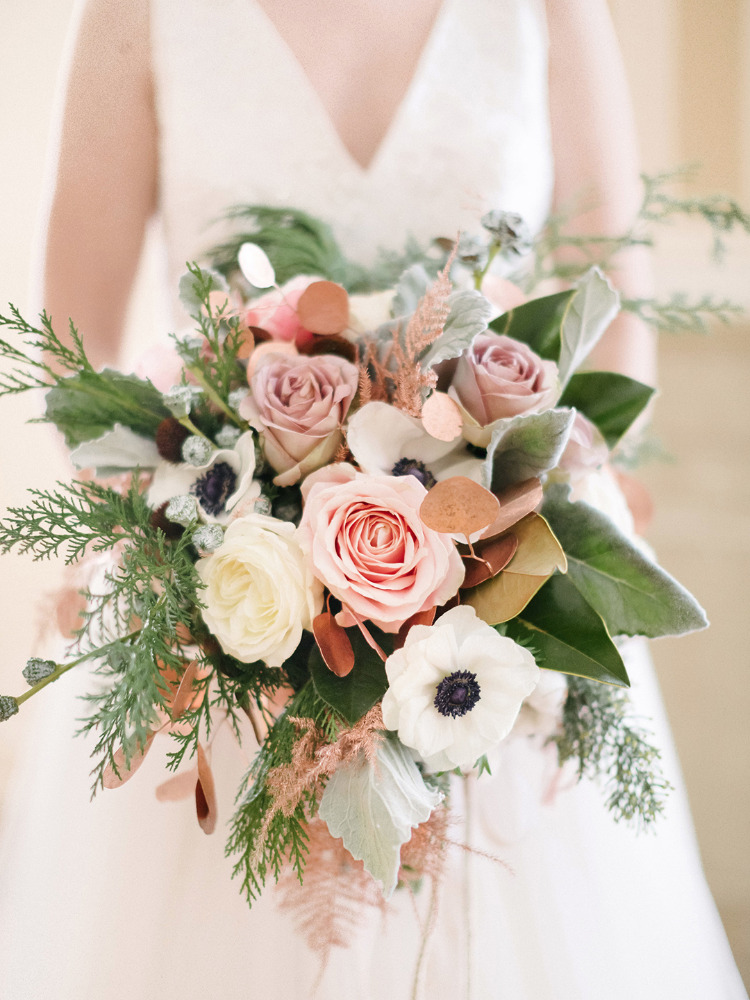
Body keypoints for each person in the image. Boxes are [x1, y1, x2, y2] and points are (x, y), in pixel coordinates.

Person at [0, 0, 745, 997]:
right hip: (222, 620)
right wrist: (234, 587)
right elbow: (74, 347)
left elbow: (615, 329)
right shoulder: (138, 13)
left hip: (497, 631)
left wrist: (467, 583)